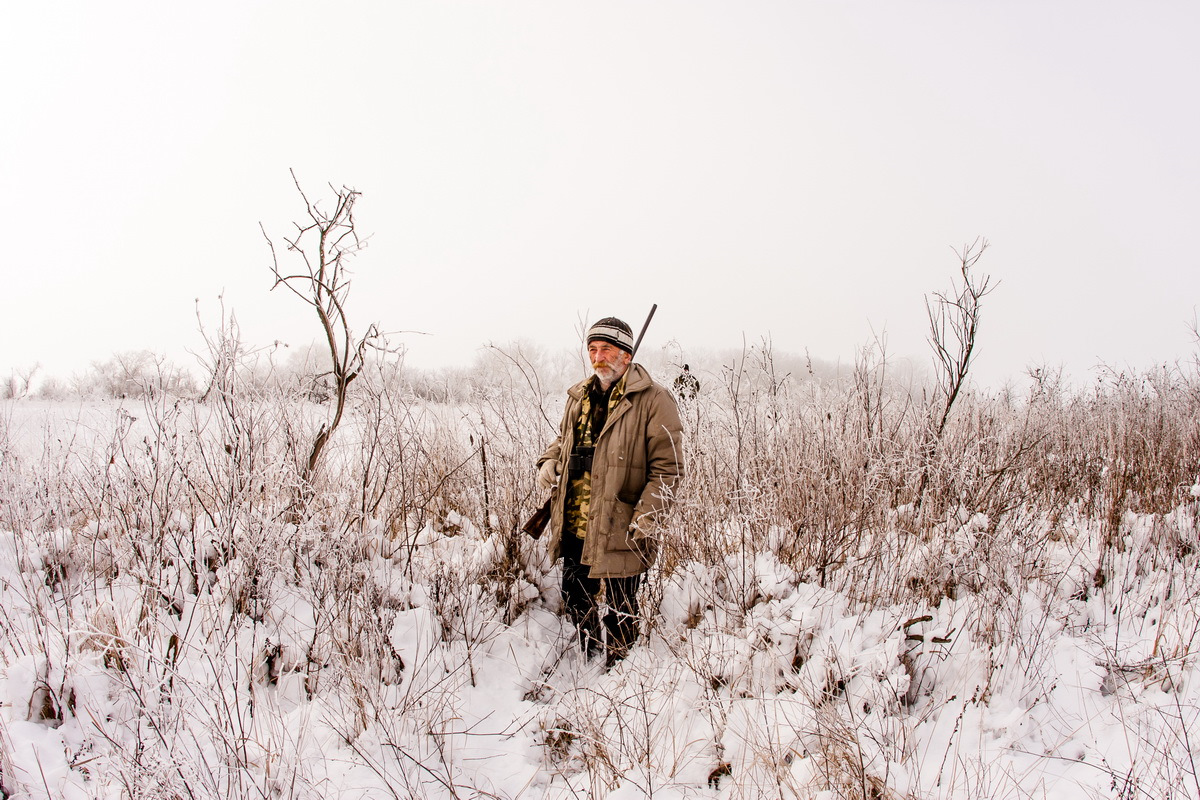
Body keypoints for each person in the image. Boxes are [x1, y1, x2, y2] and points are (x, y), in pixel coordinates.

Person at [536, 317, 684, 665]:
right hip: (575, 519)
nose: (597, 357)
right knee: (575, 595)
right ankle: (589, 653)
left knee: (622, 607)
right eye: (592, 349)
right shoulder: (579, 396)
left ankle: (621, 670)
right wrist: (549, 459)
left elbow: (669, 468)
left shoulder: (654, 400)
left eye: (605, 349)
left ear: (626, 354)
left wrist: (647, 517)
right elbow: (564, 440)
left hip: (622, 523)